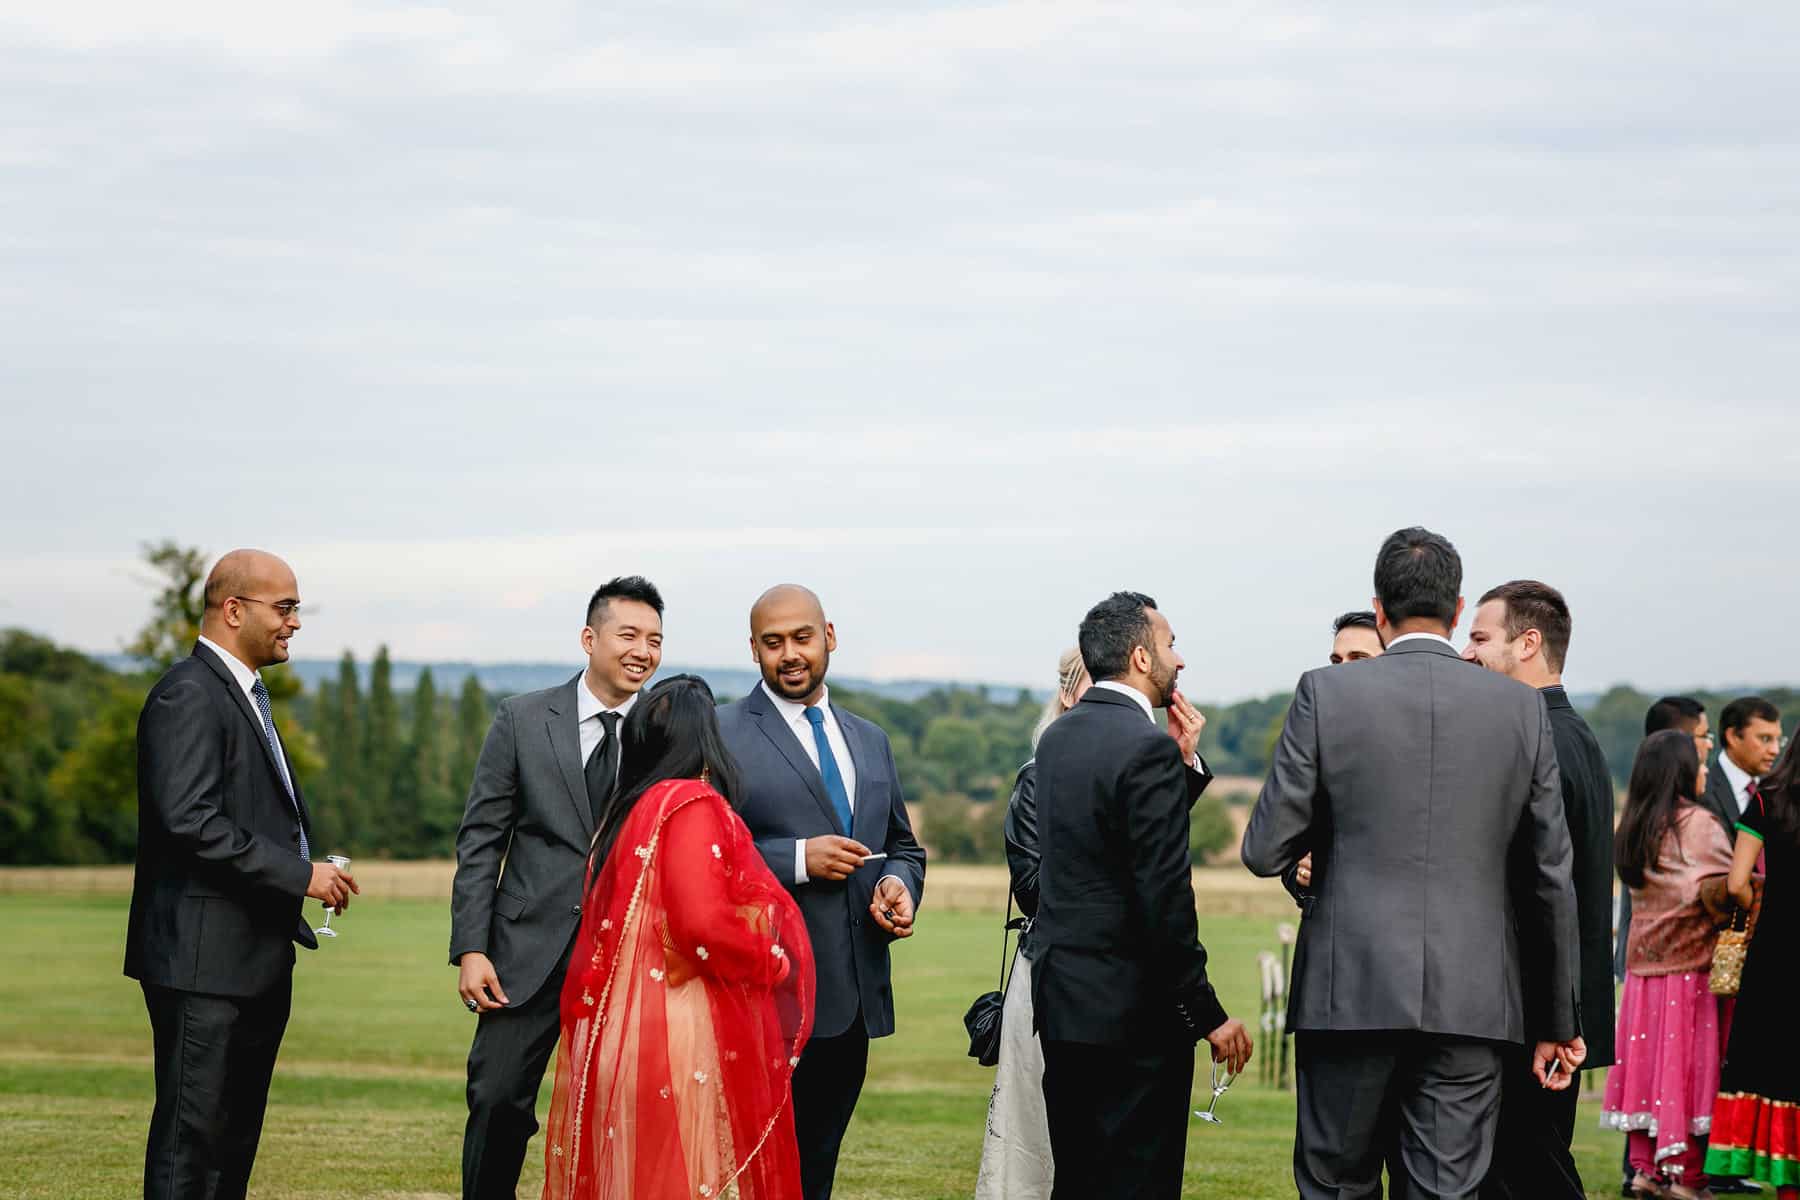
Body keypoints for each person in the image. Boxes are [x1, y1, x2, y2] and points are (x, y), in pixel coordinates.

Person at [1243, 526, 1585, 1200]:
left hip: (1349, 992)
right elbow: (1552, 877)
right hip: (1474, 1000)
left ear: (1379, 610)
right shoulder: (1521, 709)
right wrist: (1559, 1020)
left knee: (1338, 1185)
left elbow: (1263, 849)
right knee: (1445, 1192)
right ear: (1458, 610)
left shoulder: (1325, 693)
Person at [125, 549, 359, 1200]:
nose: (295, 623)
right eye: (284, 608)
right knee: (189, 1147)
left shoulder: (246, 695)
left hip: (251, 963)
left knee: (230, 1150)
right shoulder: (188, 693)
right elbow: (188, 820)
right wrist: (297, 874)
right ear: (234, 610)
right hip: (203, 966)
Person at [541, 675, 815, 1199]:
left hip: (619, 1025)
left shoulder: (626, 811)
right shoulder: (692, 805)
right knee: (682, 1177)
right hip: (674, 1021)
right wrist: (771, 958)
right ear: (707, 738)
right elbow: (700, 926)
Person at [450, 577, 665, 1200]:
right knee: (495, 1101)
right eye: (629, 635)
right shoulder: (521, 718)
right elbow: (481, 840)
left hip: (628, 958)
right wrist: (471, 948)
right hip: (524, 953)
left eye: (654, 640)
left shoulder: (662, 733)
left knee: (616, 1116)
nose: (642, 651)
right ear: (589, 638)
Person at [1031, 591, 1251, 1200]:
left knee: (1079, 1178)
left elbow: (1105, 847)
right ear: (1138, 656)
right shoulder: (1143, 746)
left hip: (1066, 1003)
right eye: (1170, 645)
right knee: (1139, 1182)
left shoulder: (1058, 739)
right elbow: (1162, 897)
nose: (1179, 660)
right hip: (1133, 1017)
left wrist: (1182, 768)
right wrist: (1207, 1014)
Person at [716, 584, 927, 1200]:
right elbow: (697, 855)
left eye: (802, 638)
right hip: (762, 998)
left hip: (853, 998)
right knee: (758, 1172)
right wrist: (798, 859)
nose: (790, 654)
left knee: (817, 1168)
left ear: (828, 637)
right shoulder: (720, 733)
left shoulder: (870, 738)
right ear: (753, 649)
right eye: (772, 642)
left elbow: (903, 846)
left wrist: (897, 884)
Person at [1462, 580, 1617, 1200]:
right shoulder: (1572, 734)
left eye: (1478, 638)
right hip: (1554, 1007)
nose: (1466, 654)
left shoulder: (1539, 740)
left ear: (1528, 643)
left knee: (1529, 1175)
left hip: (1531, 1012)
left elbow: (1539, 887)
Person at [973, 648, 1089, 1200]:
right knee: (1035, 1135)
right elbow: (1034, 889)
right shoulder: (1038, 781)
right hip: (1049, 975)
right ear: (1069, 695)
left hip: (1121, 985)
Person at [1602, 731, 1735, 1199]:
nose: (1704, 772)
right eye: (1698, 764)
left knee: (1649, 1070)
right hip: (1690, 970)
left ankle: (1645, 1169)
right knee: (1687, 1072)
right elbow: (1728, 885)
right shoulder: (1695, 824)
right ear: (1680, 771)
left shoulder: (1634, 824)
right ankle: (1686, 1175)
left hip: (1643, 970)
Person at [1706, 732, 1799, 1199]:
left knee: (1778, 1066)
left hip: (1777, 953)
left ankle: (1786, 1184)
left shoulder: (1768, 799)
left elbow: (1737, 882)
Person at [1288, 611, 1388, 903]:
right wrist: (1300, 872)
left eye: (1358, 658)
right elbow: (1280, 844)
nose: (1342, 669)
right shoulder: (1314, 740)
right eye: (1336, 661)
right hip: (1332, 927)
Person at [1706, 698, 1783, 839]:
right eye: (1765, 739)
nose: (1775, 750)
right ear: (1733, 737)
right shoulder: (1701, 791)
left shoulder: (1778, 789)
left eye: (1778, 740)